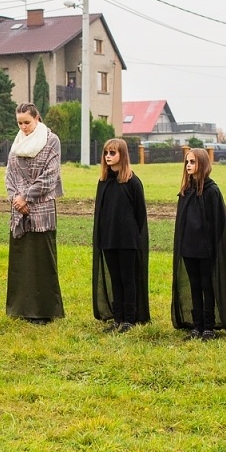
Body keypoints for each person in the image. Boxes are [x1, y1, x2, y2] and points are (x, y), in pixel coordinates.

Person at [170, 147, 226, 338]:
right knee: (194, 285)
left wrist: (210, 247)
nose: (189, 166)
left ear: (202, 164)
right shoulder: (185, 191)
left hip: (206, 250)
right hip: (188, 248)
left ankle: (208, 326)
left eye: (193, 162)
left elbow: (218, 224)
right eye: (187, 162)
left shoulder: (212, 192)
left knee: (206, 286)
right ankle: (197, 325)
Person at [4, 103, 64, 322]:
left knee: (42, 261)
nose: (23, 127)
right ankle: (20, 308)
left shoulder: (51, 141)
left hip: (41, 209)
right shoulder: (17, 142)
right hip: (19, 210)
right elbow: (9, 174)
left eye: (27, 122)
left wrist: (26, 196)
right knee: (21, 261)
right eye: (19, 123)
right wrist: (15, 199)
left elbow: (50, 176)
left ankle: (44, 311)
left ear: (37, 118)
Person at [92, 137, 149, 331]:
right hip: (108, 239)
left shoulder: (133, 182)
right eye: (106, 153)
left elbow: (140, 213)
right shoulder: (103, 182)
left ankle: (129, 320)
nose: (108, 156)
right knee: (115, 278)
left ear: (122, 155)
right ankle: (117, 318)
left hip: (127, 240)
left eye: (112, 153)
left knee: (127, 278)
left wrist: (130, 232)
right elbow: (100, 212)